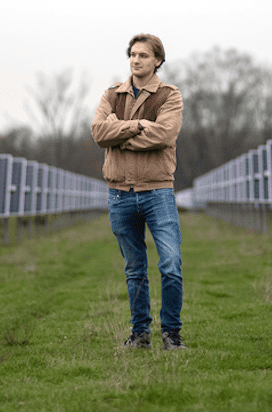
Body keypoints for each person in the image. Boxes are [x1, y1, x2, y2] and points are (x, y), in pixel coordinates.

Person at [91, 34, 186, 350]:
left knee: (170, 263)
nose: (136, 60)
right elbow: (98, 132)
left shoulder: (169, 96)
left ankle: (171, 335)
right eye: (132, 54)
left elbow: (164, 134)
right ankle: (140, 335)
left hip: (157, 192)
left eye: (144, 55)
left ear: (158, 60)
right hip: (119, 194)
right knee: (134, 270)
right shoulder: (111, 95)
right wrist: (139, 126)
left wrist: (120, 131)